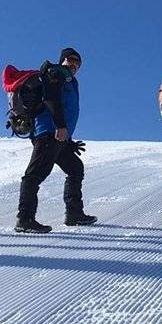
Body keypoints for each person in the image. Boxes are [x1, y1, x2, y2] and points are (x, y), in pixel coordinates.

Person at [16, 47, 96, 233]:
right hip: (48, 132)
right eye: (70, 59)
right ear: (62, 61)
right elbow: (51, 99)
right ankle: (25, 219)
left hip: (59, 136)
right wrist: (60, 126)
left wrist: (68, 141)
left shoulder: (68, 79)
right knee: (35, 174)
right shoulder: (56, 73)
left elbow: (65, 107)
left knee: (75, 168)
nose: (74, 64)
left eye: (77, 62)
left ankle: (74, 214)